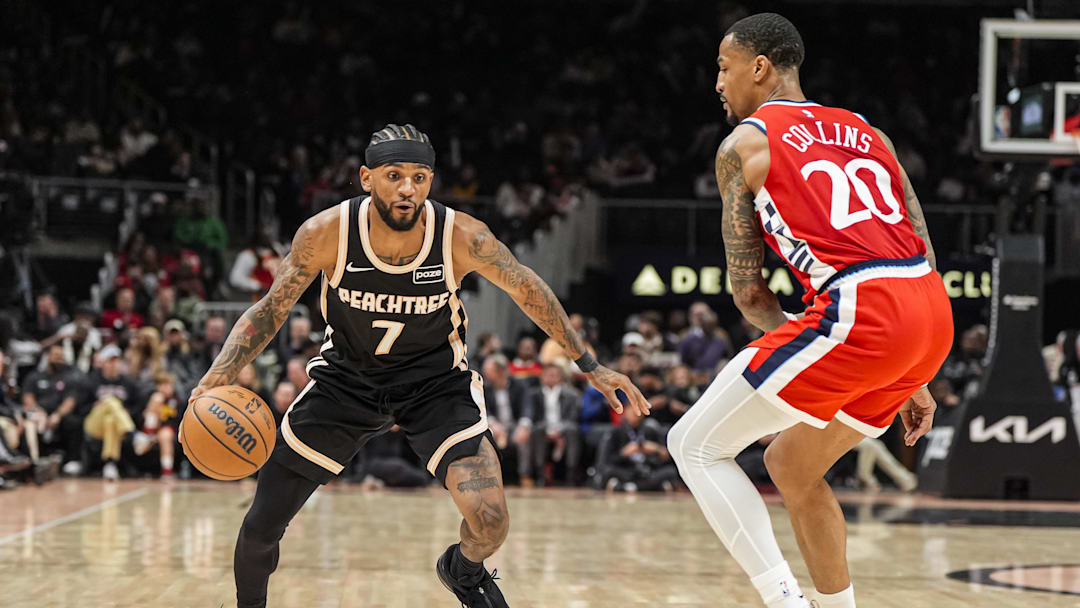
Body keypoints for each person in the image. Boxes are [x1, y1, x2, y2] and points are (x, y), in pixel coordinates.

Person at [188, 124, 648, 608]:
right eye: (394, 176)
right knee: (262, 525)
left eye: (420, 177)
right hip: (346, 382)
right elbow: (270, 309)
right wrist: (214, 378)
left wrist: (591, 365)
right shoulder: (326, 233)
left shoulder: (461, 236)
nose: (408, 189)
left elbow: (527, 288)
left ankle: (462, 571)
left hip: (435, 384)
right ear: (366, 178)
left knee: (491, 522)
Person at [666, 15, 952, 608]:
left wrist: (809, 338)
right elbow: (920, 242)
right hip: (929, 309)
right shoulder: (869, 131)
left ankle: (784, 602)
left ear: (759, 67)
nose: (717, 82)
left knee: (693, 445)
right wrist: (915, 374)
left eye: (723, 67)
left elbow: (749, 294)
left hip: (860, 308)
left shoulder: (743, 143)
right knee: (791, 465)